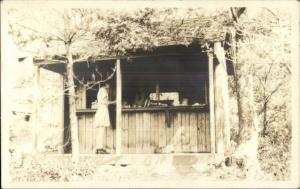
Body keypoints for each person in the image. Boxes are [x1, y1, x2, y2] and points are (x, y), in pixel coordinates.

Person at [94, 83, 115, 154]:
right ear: (106, 84)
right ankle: (99, 148)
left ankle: (99, 147)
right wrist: (115, 101)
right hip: (102, 110)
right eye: (108, 84)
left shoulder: (100, 90)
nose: (109, 86)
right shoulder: (103, 90)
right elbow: (106, 102)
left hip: (100, 110)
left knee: (100, 130)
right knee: (101, 129)